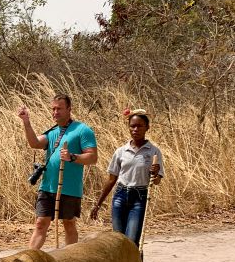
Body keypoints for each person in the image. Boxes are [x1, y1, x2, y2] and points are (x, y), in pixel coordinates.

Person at [18, 94, 98, 248]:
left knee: (68, 223)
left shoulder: (83, 130)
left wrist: (72, 157)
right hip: (47, 186)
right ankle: (29, 261)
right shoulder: (53, 131)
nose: (55, 112)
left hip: (70, 187)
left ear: (69, 109)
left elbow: (92, 158)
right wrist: (26, 122)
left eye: (59, 109)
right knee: (41, 223)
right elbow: (34, 143)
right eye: (53, 109)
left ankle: (70, 259)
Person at [90, 109, 164, 246]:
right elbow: (111, 179)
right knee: (119, 242)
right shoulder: (121, 152)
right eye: (132, 126)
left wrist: (155, 173)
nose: (135, 129)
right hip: (120, 196)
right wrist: (98, 204)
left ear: (147, 127)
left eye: (140, 126)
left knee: (132, 242)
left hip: (140, 198)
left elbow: (157, 181)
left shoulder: (154, 152)